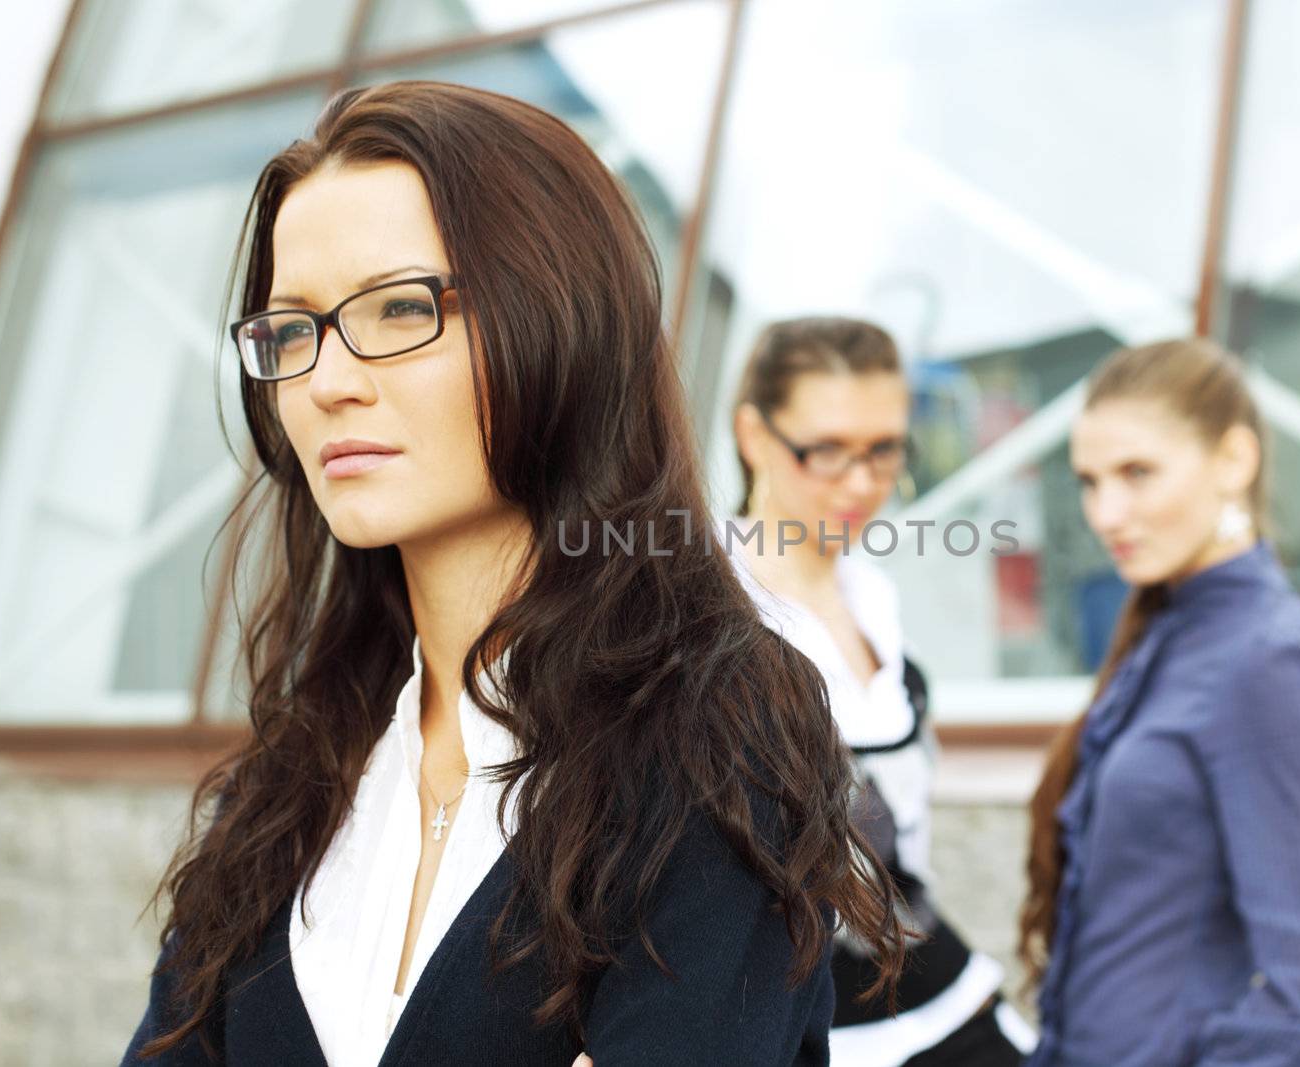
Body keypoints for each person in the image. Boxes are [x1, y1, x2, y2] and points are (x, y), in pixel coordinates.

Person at [121, 82, 904, 1067]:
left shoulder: (719, 736)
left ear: (562, 317)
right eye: (291, 330)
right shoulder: (287, 784)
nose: (327, 380)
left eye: (400, 306)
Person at [1019, 338, 1300, 1066]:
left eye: (1137, 473)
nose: (1105, 511)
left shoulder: (1270, 658)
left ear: (1234, 461)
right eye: (1090, 481)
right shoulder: (1166, 629)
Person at [725, 318, 1034, 1067]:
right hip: (803, 1025)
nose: (862, 483)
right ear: (754, 434)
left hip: (934, 993)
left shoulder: (875, 596)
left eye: (884, 450)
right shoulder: (707, 609)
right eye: (827, 450)